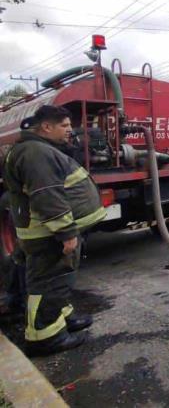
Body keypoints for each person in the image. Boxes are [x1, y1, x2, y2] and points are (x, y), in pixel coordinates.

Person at [3, 105, 107, 356]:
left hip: (47, 232)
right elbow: (46, 195)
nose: (69, 131)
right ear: (46, 127)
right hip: (47, 234)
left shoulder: (39, 149)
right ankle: (45, 338)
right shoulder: (35, 152)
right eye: (64, 126)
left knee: (58, 281)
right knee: (48, 283)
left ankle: (63, 318)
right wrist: (67, 233)